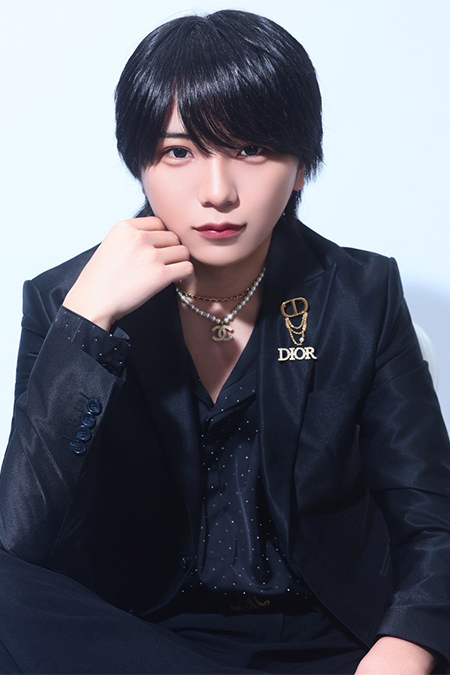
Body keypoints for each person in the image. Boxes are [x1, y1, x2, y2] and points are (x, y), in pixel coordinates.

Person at [0, 9, 449, 675]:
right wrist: (87, 323)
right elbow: (18, 543)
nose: (217, 192)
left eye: (251, 149)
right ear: (140, 165)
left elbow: (430, 519)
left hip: (334, 640)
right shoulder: (66, 299)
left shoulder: (360, 294)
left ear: (302, 167)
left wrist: (406, 647)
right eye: (179, 152)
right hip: (137, 639)